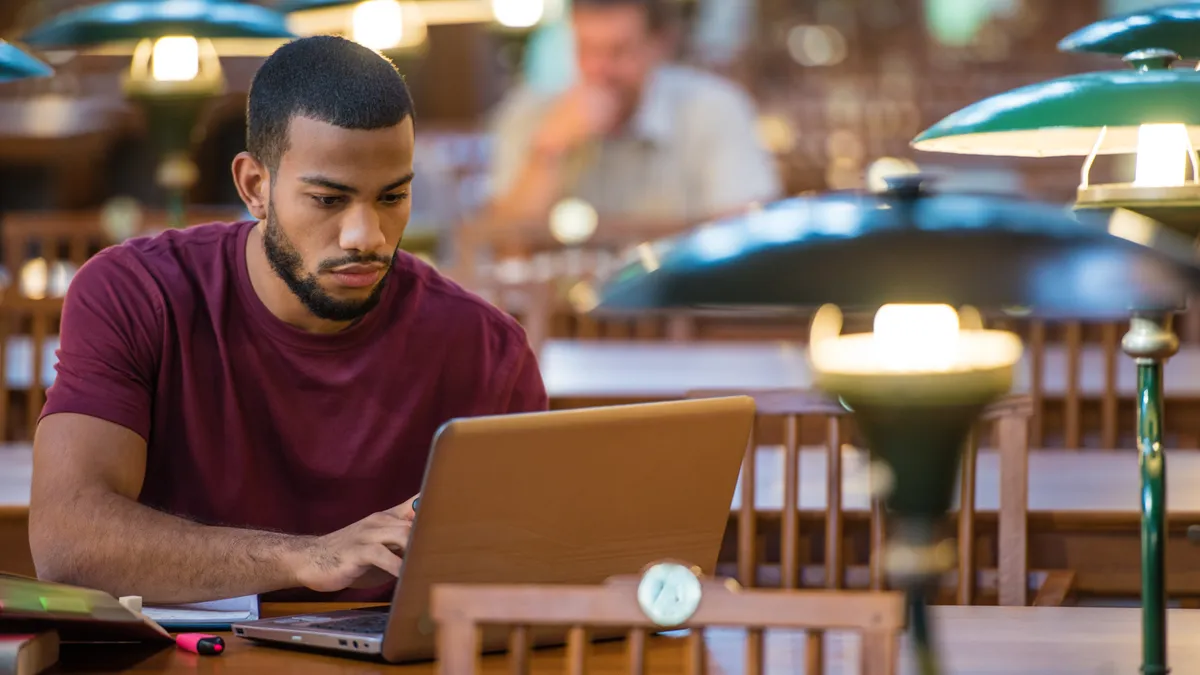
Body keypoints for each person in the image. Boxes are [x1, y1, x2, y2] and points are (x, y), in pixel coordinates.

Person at [28, 35, 548, 605]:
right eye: (328, 199)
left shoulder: (486, 348)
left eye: (392, 196)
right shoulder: (135, 293)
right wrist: (308, 557)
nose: (366, 236)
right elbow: (67, 543)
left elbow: (535, 568)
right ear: (255, 186)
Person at [486, 0, 782, 237]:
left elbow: (745, 239)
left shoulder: (714, 108)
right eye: (586, 49)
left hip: (683, 306)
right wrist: (548, 153)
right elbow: (502, 244)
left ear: (661, 44)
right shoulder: (530, 114)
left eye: (618, 52)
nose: (599, 69)